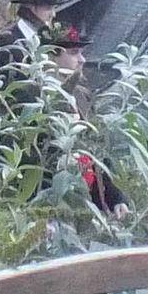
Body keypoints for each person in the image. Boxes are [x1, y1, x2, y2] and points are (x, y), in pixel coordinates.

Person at [43, 23, 127, 217]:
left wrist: (115, 198)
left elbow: (95, 153)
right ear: (51, 57)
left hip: (87, 201)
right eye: (74, 53)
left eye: (81, 53)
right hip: (53, 202)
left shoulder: (82, 96)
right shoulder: (39, 99)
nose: (82, 60)